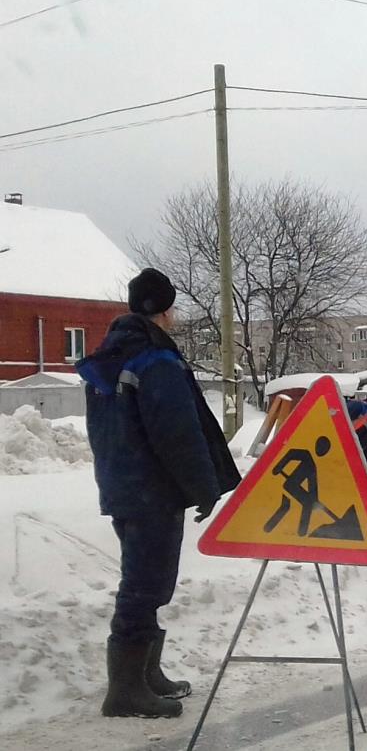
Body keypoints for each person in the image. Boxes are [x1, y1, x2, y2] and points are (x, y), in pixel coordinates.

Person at [76, 268, 240, 718]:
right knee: (145, 585)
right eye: (171, 305)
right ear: (162, 310)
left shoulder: (110, 358)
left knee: (146, 581)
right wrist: (204, 487)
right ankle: (126, 691)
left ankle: (145, 675)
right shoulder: (154, 360)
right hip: (152, 490)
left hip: (123, 486)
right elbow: (178, 433)